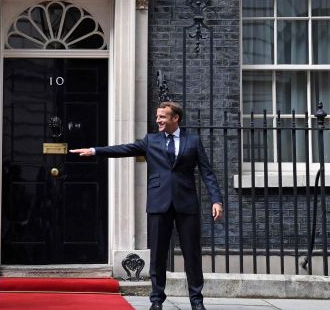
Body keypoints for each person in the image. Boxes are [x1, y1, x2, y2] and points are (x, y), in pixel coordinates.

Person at [71, 101, 223, 310]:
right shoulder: (151, 140)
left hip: (186, 204)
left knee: (192, 255)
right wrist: (95, 151)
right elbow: (125, 149)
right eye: (157, 117)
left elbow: (207, 172)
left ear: (175, 118)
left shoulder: (193, 141)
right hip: (159, 203)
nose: (158, 120)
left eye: (162, 117)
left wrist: (216, 200)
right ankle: (157, 300)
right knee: (158, 255)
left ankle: (196, 301)